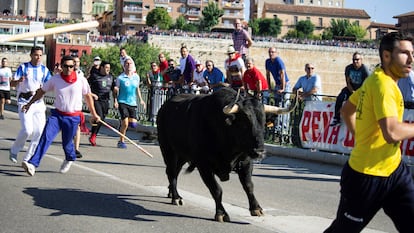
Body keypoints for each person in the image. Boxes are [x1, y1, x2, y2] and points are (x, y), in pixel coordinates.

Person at [324, 32, 414, 233]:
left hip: (395, 170)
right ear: (387, 56)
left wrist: (360, 137)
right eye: (404, 53)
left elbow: (346, 109)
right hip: (366, 176)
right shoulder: (383, 86)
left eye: (413, 53)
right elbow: (391, 131)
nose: (411, 59)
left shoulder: (375, 79)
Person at [21, 55, 100, 176]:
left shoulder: (81, 79)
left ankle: (70, 157)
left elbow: (88, 97)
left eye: (71, 66)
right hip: (57, 115)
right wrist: (29, 104)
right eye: (66, 66)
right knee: (45, 137)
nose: (68, 69)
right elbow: (41, 92)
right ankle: (32, 164)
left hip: (73, 117)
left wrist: (94, 114)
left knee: (67, 144)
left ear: (74, 67)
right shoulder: (55, 79)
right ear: (61, 66)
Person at [9, 46, 52, 164]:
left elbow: (50, 85)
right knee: (28, 130)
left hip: (38, 102)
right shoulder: (23, 67)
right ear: (31, 55)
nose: (38, 58)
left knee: (39, 131)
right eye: (36, 55)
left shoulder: (45, 70)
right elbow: (12, 83)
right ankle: (14, 150)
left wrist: (57, 75)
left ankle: (28, 159)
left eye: (40, 55)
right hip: (24, 101)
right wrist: (18, 81)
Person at [330, 52, 370, 126]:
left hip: (362, 90)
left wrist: (358, 93)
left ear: (361, 60)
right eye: (354, 60)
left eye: (357, 60)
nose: (355, 61)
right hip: (351, 88)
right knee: (340, 97)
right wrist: (352, 92)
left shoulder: (365, 69)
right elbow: (348, 82)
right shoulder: (348, 68)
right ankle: (336, 118)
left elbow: (368, 84)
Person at [113, 57, 145, 149]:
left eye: (130, 63)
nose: (129, 65)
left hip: (132, 102)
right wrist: (115, 100)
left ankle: (122, 125)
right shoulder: (121, 78)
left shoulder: (136, 77)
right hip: (122, 101)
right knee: (125, 124)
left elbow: (137, 88)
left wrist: (141, 100)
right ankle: (121, 141)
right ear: (124, 66)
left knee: (133, 124)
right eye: (127, 64)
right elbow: (116, 90)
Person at [88, 61, 116, 146]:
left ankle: (93, 134)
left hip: (106, 101)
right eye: (106, 68)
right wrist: (92, 95)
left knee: (101, 120)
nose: (108, 70)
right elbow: (85, 87)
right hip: (96, 100)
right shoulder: (94, 76)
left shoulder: (111, 77)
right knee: (99, 117)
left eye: (109, 68)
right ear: (102, 67)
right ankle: (93, 136)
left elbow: (113, 90)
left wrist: (115, 100)